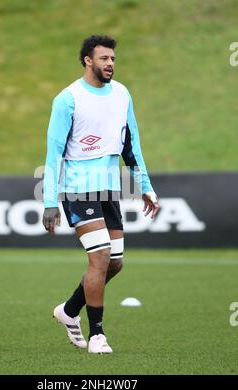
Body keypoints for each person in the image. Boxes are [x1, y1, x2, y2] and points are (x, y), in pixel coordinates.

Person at [42, 35, 159, 354]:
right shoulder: (67, 98)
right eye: (104, 58)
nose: (110, 63)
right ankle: (97, 334)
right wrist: (50, 201)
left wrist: (145, 186)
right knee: (100, 258)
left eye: (113, 59)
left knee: (115, 264)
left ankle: (67, 311)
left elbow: (130, 145)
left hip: (109, 190)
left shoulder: (122, 94)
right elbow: (53, 154)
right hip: (78, 190)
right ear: (87, 61)